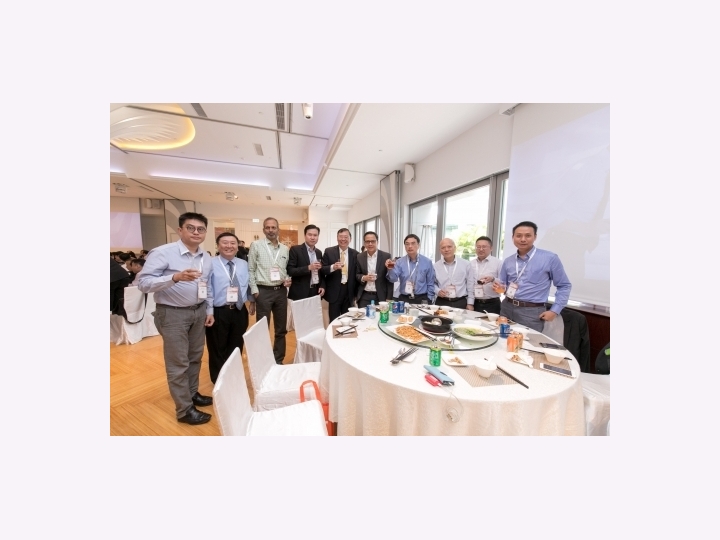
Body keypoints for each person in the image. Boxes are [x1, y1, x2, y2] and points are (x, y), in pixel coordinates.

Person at [137, 212, 215, 426]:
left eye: (200, 229)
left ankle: (192, 394)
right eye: (191, 228)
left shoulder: (205, 257)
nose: (196, 232)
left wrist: (209, 310)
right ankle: (184, 409)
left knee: (195, 357)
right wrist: (174, 277)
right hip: (172, 314)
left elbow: (206, 285)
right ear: (180, 230)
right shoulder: (163, 253)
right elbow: (143, 283)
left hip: (198, 312)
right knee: (178, 362)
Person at [495, 221, 572, 332]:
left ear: (535, 237)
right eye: (518, 236)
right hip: (507, 307)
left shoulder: (550, 258)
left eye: (528, 235)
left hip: (532, 312)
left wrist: (555, 310)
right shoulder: (508, 261)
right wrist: (499, 288)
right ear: (513, 237)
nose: (523, 239)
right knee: (502, 338)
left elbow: (564, 285)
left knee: (528, 341)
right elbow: (503, 285)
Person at [206, 232, 256, 384]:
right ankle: (219, 382)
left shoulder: (243, 264)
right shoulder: (210, 263)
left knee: (236, 347)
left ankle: (233, 377)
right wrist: (209, 311)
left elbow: (248, 284)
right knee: (217, 348)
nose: (229, 246)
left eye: (233, 243)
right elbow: (207, 288)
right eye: (225, 243)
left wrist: (252, 301)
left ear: (238, 246)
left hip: (240, 311)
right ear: (218, 246)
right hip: (218, 311)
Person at [248, 217, 292, 364]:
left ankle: (278, 360)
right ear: (263, 230)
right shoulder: (256, 245)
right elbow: (251, 269)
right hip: (263, 292)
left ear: (278, 229)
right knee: (262, 329)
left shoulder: (285, 249)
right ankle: (263, 361)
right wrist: (255, 291)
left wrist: (288, 279)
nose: (271, 230)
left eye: (273, 227)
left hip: (280, 292)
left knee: (281, 329)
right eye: (268, 227)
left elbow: (286, 270)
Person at [386, 234, 436, 304]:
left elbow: (430, 282)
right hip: (404, 298)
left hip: (422, 299)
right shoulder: (399, 262)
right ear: (405, 246)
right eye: (407, 244)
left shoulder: (427, 262)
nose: (410, 246)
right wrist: (390, 268)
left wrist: (429, 299)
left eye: (413, 243)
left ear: (418, 245)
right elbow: (393, 279)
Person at [321, 228, 358, 321]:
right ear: (337, 238)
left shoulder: (355, 254)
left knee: (348, 319)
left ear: (350, 239)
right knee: (334, 320)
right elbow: (322, 270)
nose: (343, 239)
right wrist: (333, 267)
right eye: (341, 237)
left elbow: (357, 273)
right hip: (334, 291)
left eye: (346, 237)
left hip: (349, 291)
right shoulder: (329, 251)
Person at [433, 238, 474, 310]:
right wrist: (437, 291)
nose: (446, 249)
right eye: (443, 247)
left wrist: (470, 303)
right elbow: (432, 283)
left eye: (449, 247)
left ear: (455, 248)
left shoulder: (466, 264)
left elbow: (470, 285)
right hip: (442, 301)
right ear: (440, 250)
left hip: (460, 302)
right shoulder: (435, 266)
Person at [287, 224, 326, 300]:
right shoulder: (295, 250)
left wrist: (322, 285)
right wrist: (308, 268)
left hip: (316, 291)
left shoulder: (319, 252)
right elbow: (290, 271)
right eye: (310, 235)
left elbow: (321, 272)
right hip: (300, 292)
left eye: (315, 235)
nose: (312, 237)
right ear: (305, 236)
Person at [355, 231, 391, 308]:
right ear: (364, 243)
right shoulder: (359, 257)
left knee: (380, 315)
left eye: (373, 241)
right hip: (364, 295)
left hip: (380, 296)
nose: (370, 244)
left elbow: (389, 278)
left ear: (377, 242)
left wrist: (389, 297)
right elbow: (356, 274)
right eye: (367, 241)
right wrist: (364, 277)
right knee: (363, 315)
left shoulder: (386, 256)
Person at [472, 236, 502, 315]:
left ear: (491, 248)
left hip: (492, 303)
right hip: (475, 302)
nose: (481, 249)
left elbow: (503, 282)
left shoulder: (498, 263)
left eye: (484, 247)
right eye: (478, 247)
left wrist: (493, 279)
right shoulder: (471, 264)